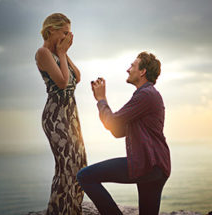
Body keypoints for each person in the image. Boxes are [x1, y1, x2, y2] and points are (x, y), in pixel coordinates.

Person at [77, 52, 171, 215]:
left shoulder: (145, 95)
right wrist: (105, 109)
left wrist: (101, 100)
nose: (128, 69)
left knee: (85, 176)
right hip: (156, 167)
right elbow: (117, 130)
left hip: (147, 164)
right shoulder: (146, 95)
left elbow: (112, 122)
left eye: (132, 66)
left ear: (142, 72)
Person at [35, 13, 87, 215]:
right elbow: (63, 82)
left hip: (71, 115)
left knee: (79, 163)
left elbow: (77, 76)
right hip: (56, 116)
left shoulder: (58, 52)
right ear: (51, 31)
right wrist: (62, 53)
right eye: (64, 33)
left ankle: (73, 209)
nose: (68, 37)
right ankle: (58, 211)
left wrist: (63, 51)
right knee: (65, 167)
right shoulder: (43, 53)